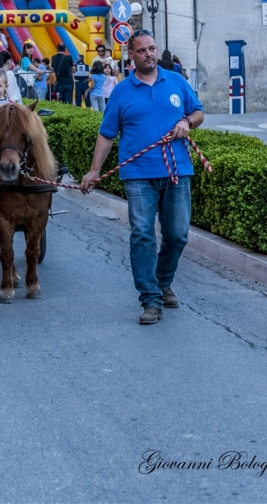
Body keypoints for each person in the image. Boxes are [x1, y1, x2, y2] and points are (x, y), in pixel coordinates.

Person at [80, 29, 204, 325]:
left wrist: (187, 122)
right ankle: (150, 299)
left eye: (152, 49)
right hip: (137, 175)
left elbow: (198, 112)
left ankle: (163, 281)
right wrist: (94, 170)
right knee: (142, 234)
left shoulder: (175, 80)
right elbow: (107, 134)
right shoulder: (121, 91)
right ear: (132, 55)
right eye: (142, 51)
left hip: (177, 171)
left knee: (177, 235)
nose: (149, 54)